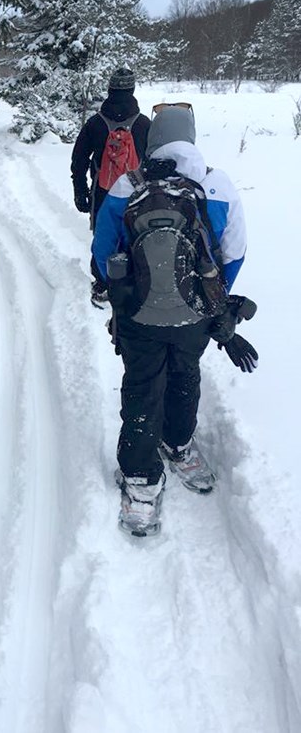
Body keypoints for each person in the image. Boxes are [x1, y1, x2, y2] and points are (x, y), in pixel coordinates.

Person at [91, 104, 248, 536]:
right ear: (191, 138)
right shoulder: (218, 185)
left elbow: (103, 252)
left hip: (138, 316)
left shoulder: (128, 184)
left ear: (153, 139)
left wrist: (129, 295)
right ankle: (178, 445)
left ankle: (140, 479)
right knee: (185, 376)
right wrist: (210, 298)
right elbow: (234, 252)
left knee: (143, 385)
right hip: (196, 315)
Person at [71, 68, 151, 306]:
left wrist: (80, 190)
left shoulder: (95, 123)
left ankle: (103, 284)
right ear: (132, 89)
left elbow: (80, 159)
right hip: (138, 191)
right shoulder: (144, 124)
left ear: (110, 89)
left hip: (103, 189)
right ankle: (136, 282)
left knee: (104, 236)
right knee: (136, 234)